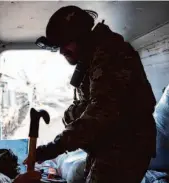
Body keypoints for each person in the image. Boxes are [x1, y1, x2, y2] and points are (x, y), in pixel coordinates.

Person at [25, 6, 157, 183]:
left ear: (83, 37)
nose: (62, 51)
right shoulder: (92, 57)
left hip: (127, 147)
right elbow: (91, 105)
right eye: (59, 45)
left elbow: (101, 111)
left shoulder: (111, 54)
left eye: (66, 43)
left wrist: (55, 146)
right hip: (107, 144)